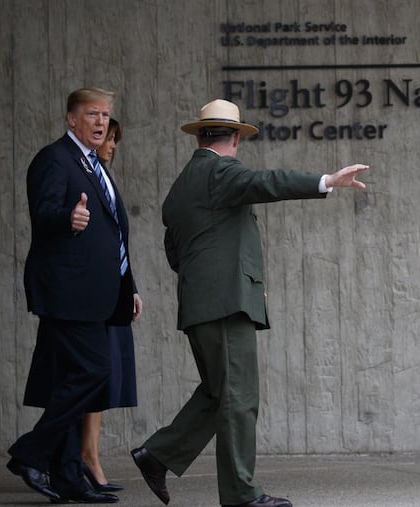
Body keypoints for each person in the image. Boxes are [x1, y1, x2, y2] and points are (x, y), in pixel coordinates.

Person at [130, 99, 368, 507]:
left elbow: (178, 253)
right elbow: (268, 182)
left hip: (202, 305)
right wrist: (327, 180)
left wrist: (232, 280)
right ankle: (240, 495)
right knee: (239, 398)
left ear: (200, 134)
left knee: (218, 393)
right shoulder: (220, 170)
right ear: (236, 138)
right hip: (224, 307)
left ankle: (158, 455)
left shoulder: (183, 184)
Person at [7, 87, 141, 504]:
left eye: (105, 114)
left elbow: (115, 231)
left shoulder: (93, 165)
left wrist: (129, 284)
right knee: (95, 371)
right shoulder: (54, 159)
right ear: (71, 119)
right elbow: (43, 213)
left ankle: (67, 476)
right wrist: (68, 217)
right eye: (91, 114)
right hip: (67, 292)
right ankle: (30, 453)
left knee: (73, 379)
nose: (101, 122)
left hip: (97, 293)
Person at [80, 118, 140, 493]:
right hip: (91, 296)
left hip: (112, 292)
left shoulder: (103, 178)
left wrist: (129, 286)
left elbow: (116, 239)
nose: (112, 145)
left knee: (103, 378)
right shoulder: (84, 178)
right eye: (108, 139)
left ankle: (86, 456)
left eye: (115, 139)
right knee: (92, 376)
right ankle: (86, 458)